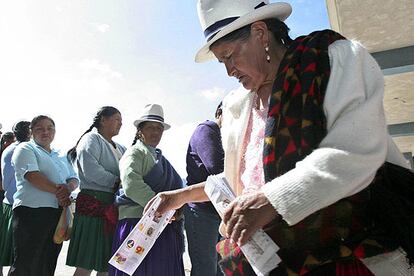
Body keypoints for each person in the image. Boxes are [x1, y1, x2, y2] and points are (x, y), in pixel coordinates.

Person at [147, 1, 414, 275]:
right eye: (221, 62)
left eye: (229, 56)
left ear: (260, 33)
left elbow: (356, 151)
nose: (228, 71)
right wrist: (179, 196)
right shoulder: (237, 107)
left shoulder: (331, 60)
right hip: (272, 264)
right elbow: (240, 183)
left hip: (343, 257)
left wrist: (273, 200)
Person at [109, 104, 185, 276]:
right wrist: (163, 207)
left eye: (159, 129)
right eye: (150, 127)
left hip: (161, 223)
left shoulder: (159, 157)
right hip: (137, 224)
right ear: (139, 130)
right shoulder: (135, 153)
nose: (155, 132)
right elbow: (131, 184)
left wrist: (170, 209)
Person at [10, 115, 77, 276]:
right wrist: (59, 191)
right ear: (31, 132)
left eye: (50, 128)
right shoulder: (25, 149)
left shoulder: (60, 154)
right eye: (39, 129)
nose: (45, 132)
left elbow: (73, 178)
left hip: (56, 213)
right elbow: (32, 176)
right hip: (31, 212)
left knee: (48, 262)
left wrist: (68, 187)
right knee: (26, 263)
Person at [66, 106, 125, 276]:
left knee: (105, 262)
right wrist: (118, 182)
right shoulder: (91, 139)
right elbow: (91, 170)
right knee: (87, 260)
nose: (120, 124)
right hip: (94, 204)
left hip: (112, 207)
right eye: (117, 119)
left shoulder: (121, 148)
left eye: (121, 121)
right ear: (103, 120)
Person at [185, 102, 224, 276]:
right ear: (219, 112)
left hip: (217, 213)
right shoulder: (207, 129)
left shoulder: (225, 135)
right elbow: (217, 168)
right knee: (205, 269)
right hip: (201, 212)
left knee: (219, 269)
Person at [0, 121, 31, 274]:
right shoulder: (22, 150)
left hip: (10, 205)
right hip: (17, 207)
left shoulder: (9, 150)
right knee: (18, 256)